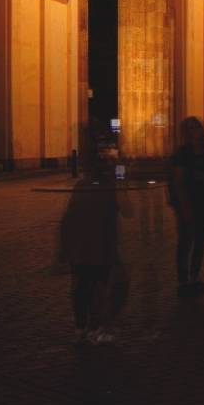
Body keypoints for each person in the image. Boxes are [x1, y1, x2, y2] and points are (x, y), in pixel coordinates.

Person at [59, 134, 133, 344]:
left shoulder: (109, 185)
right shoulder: (83, 186)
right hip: (89, 244)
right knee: (87, 286)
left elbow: (127, 211)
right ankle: (85, 325)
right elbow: (70, 217)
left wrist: (120, 183)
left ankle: (91, 325)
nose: (106, 159)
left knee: (95, 285)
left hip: (100, 243)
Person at [167, 116, 204, 293]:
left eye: (196, 127)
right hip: (188, 205)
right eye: (189, 128)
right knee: (186, 242)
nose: (194, 131)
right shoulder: (182, 154)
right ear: (185, 133)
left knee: (200, 243)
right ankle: (183, 282)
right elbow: (178, 182)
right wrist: (184, 208)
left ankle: (194, 278)